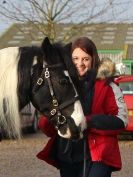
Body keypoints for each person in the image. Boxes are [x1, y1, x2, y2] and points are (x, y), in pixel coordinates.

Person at [37, 37, 128, 177]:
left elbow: (121, 121)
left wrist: (88, 121)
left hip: (98, 156)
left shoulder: (108, 86)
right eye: (75, 58)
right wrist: (46, 118)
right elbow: (49, 129)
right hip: (67, 155)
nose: (80, 63)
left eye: (85, 59)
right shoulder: (60, 86)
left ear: (93, 60)